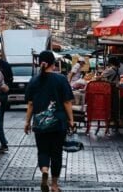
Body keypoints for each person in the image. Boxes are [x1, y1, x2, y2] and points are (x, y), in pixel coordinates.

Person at [24, 51, 75, 192]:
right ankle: (54, 185)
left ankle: (44, 169)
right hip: (58, 123)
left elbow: (30, 104)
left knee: (43, 151)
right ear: (54, 63)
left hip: (40, 124)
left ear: (39, 62)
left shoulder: (34, 80)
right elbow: (66, 102)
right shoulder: (61, 79)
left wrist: (27, 122)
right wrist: (71, 120)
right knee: (56, 153)